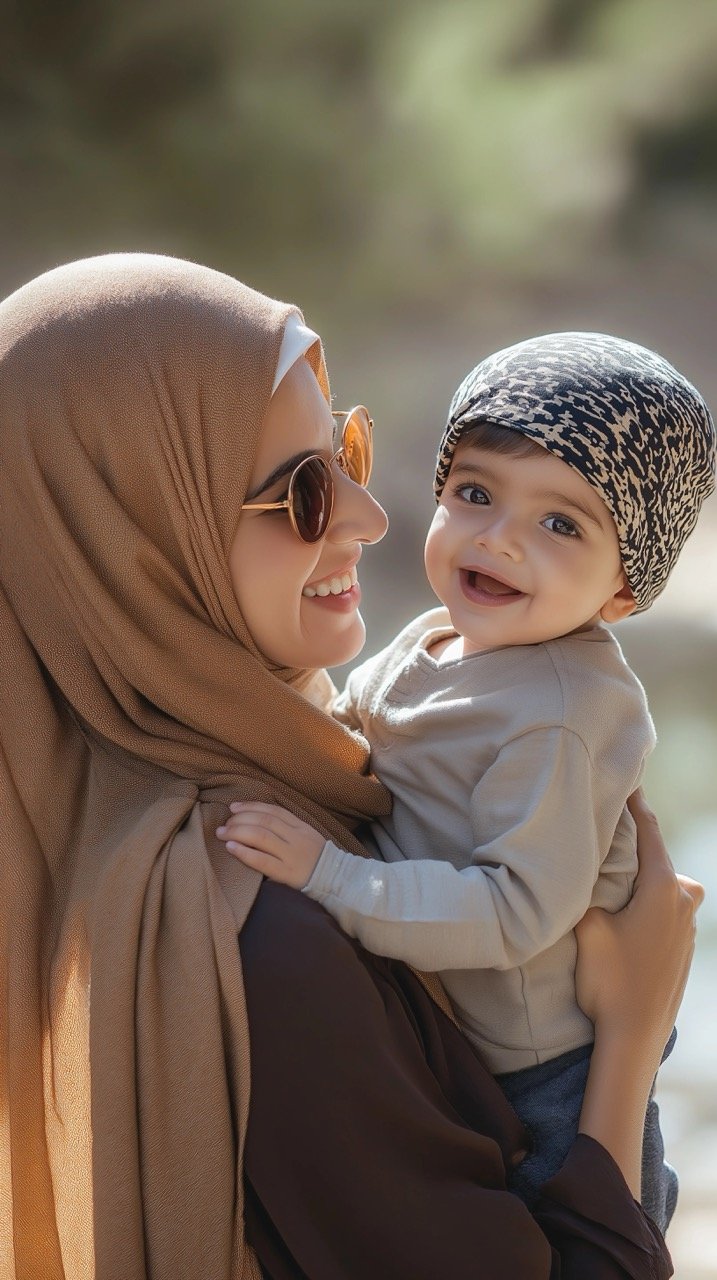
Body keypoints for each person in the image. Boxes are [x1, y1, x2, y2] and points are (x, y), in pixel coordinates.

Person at [0, 255, 702, 1280]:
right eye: (301, 490)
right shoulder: (262, 929)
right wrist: (635, 1030)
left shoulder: (115, 812)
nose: (368, 516)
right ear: (142, 535)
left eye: (349, 448)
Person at [218, 332, 715, 1233]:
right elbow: (341, 734)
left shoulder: (563, 713)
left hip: (550, 1074)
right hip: (459, 1027)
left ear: (622, 593)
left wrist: (331, 878)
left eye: (560, 524)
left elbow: (513, 911)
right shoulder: (433, 639)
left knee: (591, 1239)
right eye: (475, 493)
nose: (499, 539)